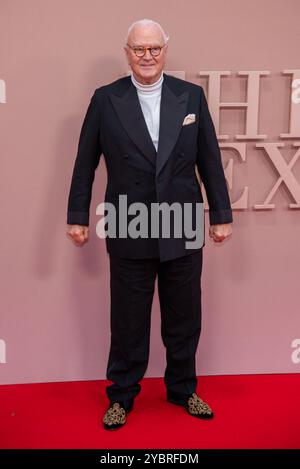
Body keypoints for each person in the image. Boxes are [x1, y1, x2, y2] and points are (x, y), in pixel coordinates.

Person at [66, 18, 233, 431]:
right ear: (127, 52)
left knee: (184, 316)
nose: (147, 56)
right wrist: (77, 217)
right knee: (127, 319)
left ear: (166, 49)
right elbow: (85, 162)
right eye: (139, 49)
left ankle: (182, 389)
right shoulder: (105, 100)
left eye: (154, 48)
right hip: (128, 221)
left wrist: (222, 215)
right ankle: (121, 395)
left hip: (184, 221)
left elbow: (209, 158)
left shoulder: (190, 97)